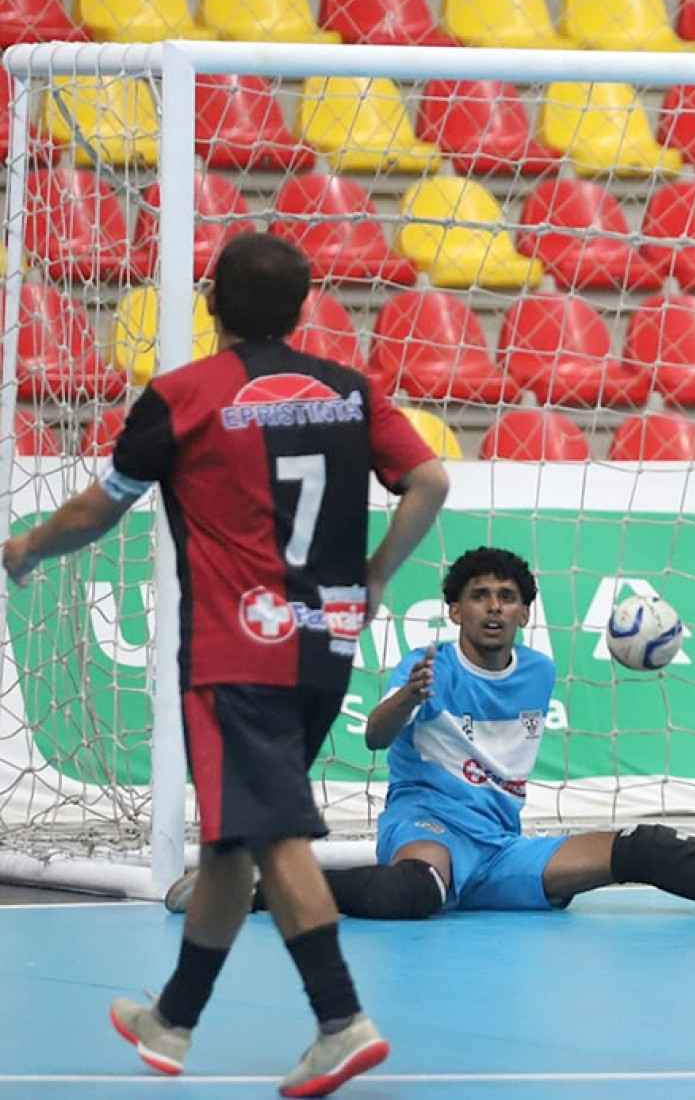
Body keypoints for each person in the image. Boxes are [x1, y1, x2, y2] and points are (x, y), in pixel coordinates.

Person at [3, 233, 451, 1096]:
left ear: (210, 299)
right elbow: (429, 480)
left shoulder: (186, 395)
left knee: (270, 829)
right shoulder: (350, 391)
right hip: (327, 643)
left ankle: (340, 1020)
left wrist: (26, 547)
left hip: (238, 648)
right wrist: (376, 574)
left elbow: (100, 510)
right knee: (231, 839)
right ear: (304, 306)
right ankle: (172, 1019)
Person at [162, 547, 695, 924]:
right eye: (478, 596)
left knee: (643, 848)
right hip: (428, 829)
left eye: (506, 597)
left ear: (523, 612)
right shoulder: (427, 664)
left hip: (503, 848)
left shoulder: (538, 671)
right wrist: (408, 699)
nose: (493, 606)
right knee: (416, 893)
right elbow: (377, 739)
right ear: (454, 610)